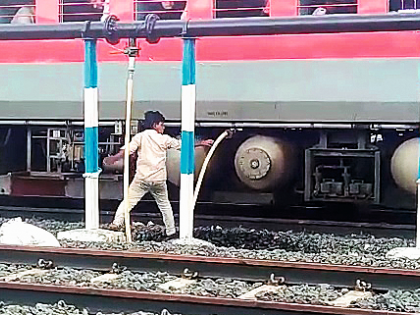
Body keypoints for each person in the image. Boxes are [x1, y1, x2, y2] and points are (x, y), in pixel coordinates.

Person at [104, 111, 214, 239]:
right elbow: (183, 146)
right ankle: (171, 231)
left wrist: (114, 159)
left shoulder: (141, 137)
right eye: (161, 124)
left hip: (142, 179)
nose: (163, 127)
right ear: (155, 125)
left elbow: (128, 149)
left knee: (128, 201)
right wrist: (202, 143)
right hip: (158, 180)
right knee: (165, 205)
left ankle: (117, 223)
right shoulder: (164, 139)